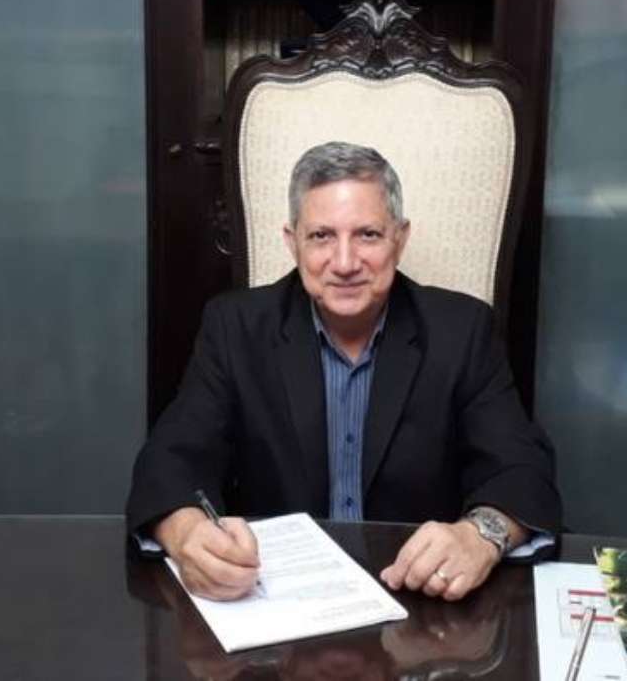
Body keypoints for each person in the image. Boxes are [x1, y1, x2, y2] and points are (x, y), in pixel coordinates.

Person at [126, 141, 561, 602]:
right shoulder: (235, 328)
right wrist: (187, 534)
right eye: (321, 236)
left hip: (420, 601)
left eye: (368, 235)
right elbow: (170, 460)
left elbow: (523, 470)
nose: (346, 262)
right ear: (292, 241)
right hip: (276, 602)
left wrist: (481, 535)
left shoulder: (462, 330)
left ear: (400, 238)